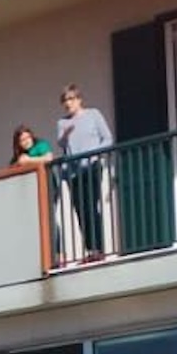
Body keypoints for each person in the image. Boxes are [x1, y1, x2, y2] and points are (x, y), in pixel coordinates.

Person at [54, 85, 114, 262]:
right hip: (73, 174)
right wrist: (65, 135)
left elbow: (108, 138)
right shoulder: (62, 123)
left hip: (92, 167)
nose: (68, 103)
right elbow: (61, 144)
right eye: (65, 100)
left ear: (79, 99)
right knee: (80, 210)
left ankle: (99, 249)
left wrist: (93, 154)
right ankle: (90, 250)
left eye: (71, 99)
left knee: (91, 207)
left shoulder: (93, 115)